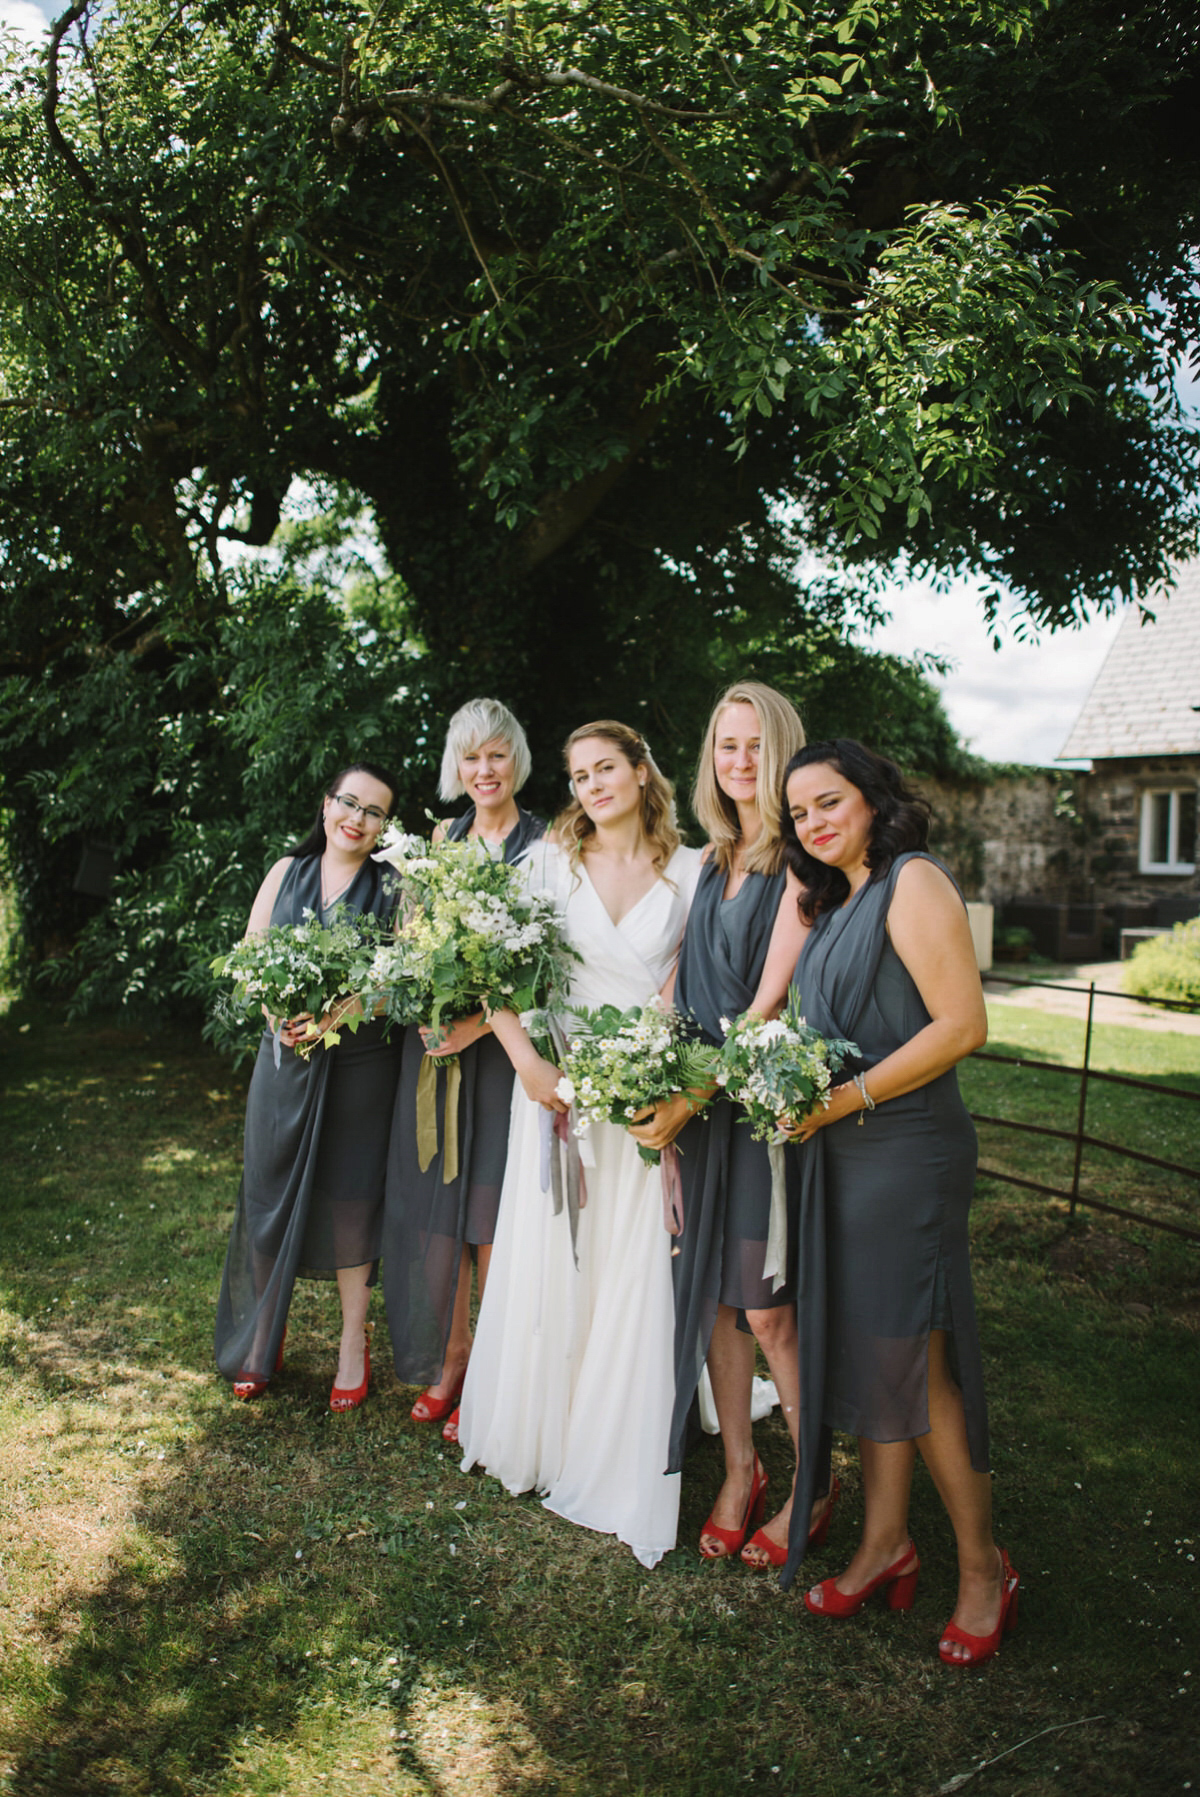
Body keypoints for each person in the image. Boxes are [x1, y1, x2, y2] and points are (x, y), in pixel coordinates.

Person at [776, 739, 1018, 1669]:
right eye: (799, 814)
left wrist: (841, 1100)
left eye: (829, 801)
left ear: (873, 799)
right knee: (871, 1352)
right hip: (840, 1153)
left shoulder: (914, 881)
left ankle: (985, 1569)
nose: (815, 822)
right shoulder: (835, 902)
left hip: (905, 1153)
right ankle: (884, 1544)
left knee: (918, 1365)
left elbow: (964, 1025)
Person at [457, 721, 702, 1567]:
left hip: (640, 1101)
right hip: (556, 1093)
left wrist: (661, 1071)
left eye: (606, 768)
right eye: (578, 774)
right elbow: (485, 965)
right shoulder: (549, 863)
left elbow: (695, 984)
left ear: (641, 769)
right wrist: (525, 1061)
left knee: (630, 1264)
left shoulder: (693, 869)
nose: (593, 784)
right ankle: (545, 1430)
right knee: (556, 1258)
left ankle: (616, 1438)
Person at [629, 682, 829, 1570]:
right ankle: (741, 1471)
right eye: (726, 745)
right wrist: (643, 1063)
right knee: (710, 1293)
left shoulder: (799, 864)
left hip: (753, 1109)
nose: (739, 761)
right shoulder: (711, 859)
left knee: (767, 1308)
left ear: (779, 752)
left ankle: (814, 1482)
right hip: (696, 1107)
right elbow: (680, 985)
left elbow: (762, 1006)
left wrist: (691, 1091)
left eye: (754, 746)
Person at [214, 761, 402, 1410]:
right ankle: (263, 1331)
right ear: (326, 806)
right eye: (349, 802)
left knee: (352, 1197)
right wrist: (276, 1011)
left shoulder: (396, 888)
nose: (357, 817)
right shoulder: (284, 872)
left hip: (359, 1068)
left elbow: (406, 982)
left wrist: (351, 1006)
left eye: (373, 811)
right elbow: (251, 953)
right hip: (285, 1061)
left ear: (384, 827)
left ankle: (354, 1342)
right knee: (268, 1193)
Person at [381, 698, 544, 1442]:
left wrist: (483, 1022)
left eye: (497, 755)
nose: (484, 769)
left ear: (516, 761)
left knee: (492, 1220)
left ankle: (499, 1370)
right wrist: (424, 995)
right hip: (436, 1057)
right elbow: (408, 938)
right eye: (471, 756)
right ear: (456, 765)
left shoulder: (546, 846)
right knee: (441, 1217)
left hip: (506, 1061)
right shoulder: (438, 842)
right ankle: (453, 1358)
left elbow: (552, 964)